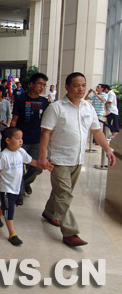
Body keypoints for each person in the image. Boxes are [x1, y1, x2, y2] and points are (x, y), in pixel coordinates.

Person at [38, 72, 116, 247]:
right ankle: (70, 233)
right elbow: (45, 133)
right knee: (64, 194)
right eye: (76, 85)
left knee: (61, 193)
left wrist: (107, 149)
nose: (80, 89)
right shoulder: (56, 108)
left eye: (83, 85)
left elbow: (96, 131)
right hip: (59, 160)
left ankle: (50, 213)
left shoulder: (88, 107)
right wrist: (42, 157)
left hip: (78, 159)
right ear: (67, 87)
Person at [0, 127, 53, 246]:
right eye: (17, 138)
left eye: (21, 138)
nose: (21, 141)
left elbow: (31, 161)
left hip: (16, 187)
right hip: (6, 187)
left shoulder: (21, 152)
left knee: (7, 204)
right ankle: (12, 234)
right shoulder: (3, 155)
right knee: (9, 209)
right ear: (7, 140)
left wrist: (44, 165)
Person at [11, 72, 50, 204]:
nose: (41, 87)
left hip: (36, 140)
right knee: (18, 167)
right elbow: (14, 120)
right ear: (31, 84)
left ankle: (25, 182)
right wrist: (10, 137)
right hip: (21, 140)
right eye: (39, 84)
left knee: (37, 168)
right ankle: (20, 194)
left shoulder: (45, 102)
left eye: (44, 85)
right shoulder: (21, 99)